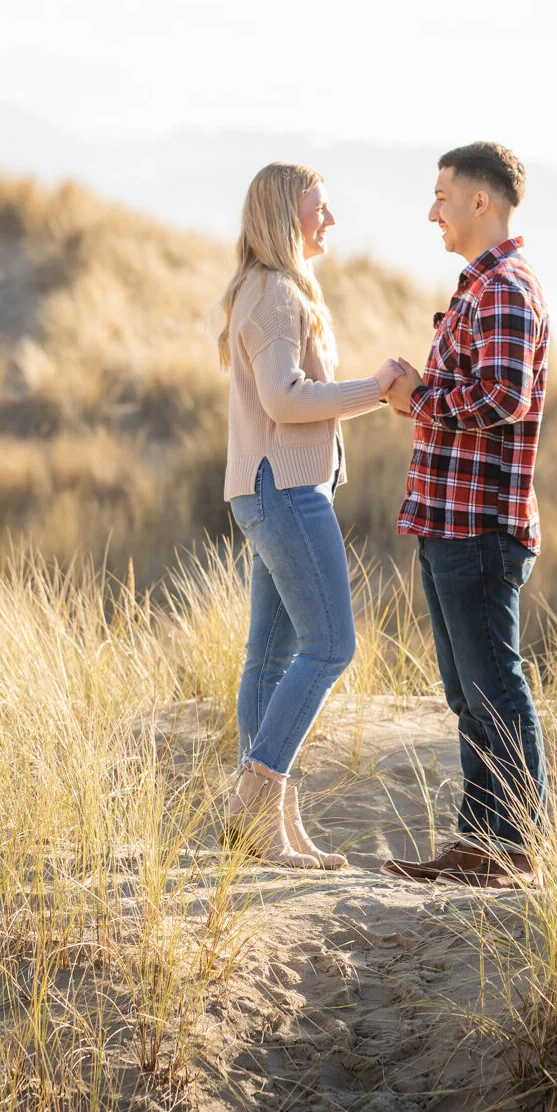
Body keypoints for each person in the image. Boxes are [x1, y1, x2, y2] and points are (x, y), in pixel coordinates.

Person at [218, 162, 404, 868]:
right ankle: (252, 799)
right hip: (285, 490)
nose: (329, 221)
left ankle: (269, 830)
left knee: (268, 655)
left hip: (271, 488)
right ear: (283, 215)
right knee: (330, 645)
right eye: (318, 208)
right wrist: (375, 390)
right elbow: (285, 399)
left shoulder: (274, 288)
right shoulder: (271, 293)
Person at [379, 143, 550, 887]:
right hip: (449, 520)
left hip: (480, 526)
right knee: (467, 692)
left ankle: (514, 849)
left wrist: (414, 397)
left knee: (494, 687)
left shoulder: (506, 288)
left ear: (481, 202)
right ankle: (480, 843)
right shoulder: (480, 287)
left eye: (443, 194)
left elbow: (501, 399)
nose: (432, 209)